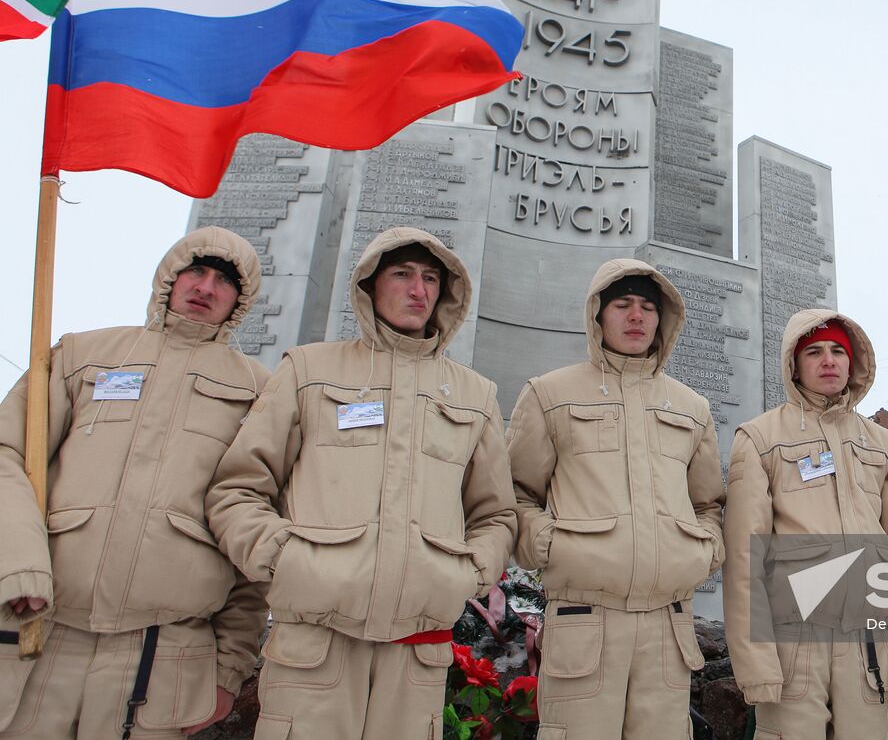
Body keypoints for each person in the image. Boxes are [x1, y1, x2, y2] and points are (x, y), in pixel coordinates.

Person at [206, 227, 516, 739]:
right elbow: (239, 486)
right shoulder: (309, 370)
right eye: (402, 274)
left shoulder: (475, 395)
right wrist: (283, 559)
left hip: (417, 656)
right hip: (314, 647)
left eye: (431, 278)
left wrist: (470, 570)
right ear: (370, 284)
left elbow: (496, 514)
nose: (418, 289)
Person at [0, 227, 270, 739]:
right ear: (170, 275)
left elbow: (256, 531)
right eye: (196, 270)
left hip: (161, 658)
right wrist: (18, 564)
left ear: (241, 299)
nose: (205, 288)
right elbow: (7, 453)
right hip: (41, 631)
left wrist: (229, 667)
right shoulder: (82, 356)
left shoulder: (260, 394)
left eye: (224, 281)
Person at [507, 260, 724, 739]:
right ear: (597, 315)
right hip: (584, 619)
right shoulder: (549, 394)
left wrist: (704, 551)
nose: (636, 317)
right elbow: (516, 495)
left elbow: (709, 503)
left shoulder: (691, 407)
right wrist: (548, 546)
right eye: (622, 305)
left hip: (668, 625)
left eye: (648, 307)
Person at [723, 310, 888, 739]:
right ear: (794, 364)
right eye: (814, 351)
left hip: (869, 641)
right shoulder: (759, 438)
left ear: (852, 362)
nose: (829, 360)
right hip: (795, 642)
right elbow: (745, 560)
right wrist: (757, 663)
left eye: (838, 350)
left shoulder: (882, 443)